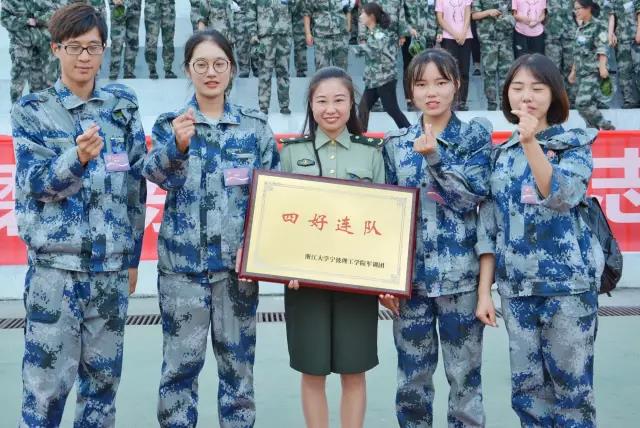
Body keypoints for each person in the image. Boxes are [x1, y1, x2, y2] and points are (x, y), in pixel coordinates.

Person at [12, 3, 147, 425]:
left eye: (93, 47)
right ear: (56, 48)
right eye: (74, 47)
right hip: (57, 272)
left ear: (104, 49)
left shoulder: (122, 106)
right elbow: (36, 184)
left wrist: (132, 257)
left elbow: (136, 187)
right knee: (45, 392)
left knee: (102, 390)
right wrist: (77, 158)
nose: (84, 56)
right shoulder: (32, 109)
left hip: (110, 271)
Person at [142, 29, 279, 427]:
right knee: (179, 372)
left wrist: (257, 249)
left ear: (231, 68)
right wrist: (177, 147)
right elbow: (155, 174)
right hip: (182, 273)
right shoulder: (172, 124)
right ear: (188, 70)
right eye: (200, 64)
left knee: (238, 373)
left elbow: (273, 195)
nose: (210, 72)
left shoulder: (254, 127)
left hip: (236, 273)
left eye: (219, 63)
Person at [477, 53, 602, 427]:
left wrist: (531, 142)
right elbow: (490, 226)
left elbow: (562, 195)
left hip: (567, 289)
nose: (526, 96)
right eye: (517, 88)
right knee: (528, 394)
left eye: (537, 88)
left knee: (572, 395)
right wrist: (486, 292)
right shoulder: (501, 155)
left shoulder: (573, 144)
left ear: (554, 94)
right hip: (517, 291)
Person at [382, 48, 493, 427]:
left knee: (465, 382)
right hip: (410, 284)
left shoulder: (475, 136)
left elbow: (471, 197)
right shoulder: (395, 143)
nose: (432, 92)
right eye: (421, 84)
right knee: (411, 383)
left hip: (461, 281)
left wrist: (434, 159)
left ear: (457, 84)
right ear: (409, 91)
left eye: (441, 82)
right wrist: (385, 280)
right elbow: (386, 216)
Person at [280, 66, 384, 428]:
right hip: (304, 280)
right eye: (321, 101)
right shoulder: (291, 154)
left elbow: (384, 220)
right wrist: (285, 264)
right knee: (312, 371)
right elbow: (278, 216)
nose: (330, 109)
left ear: (352, 103)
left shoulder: (371, 154)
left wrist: (383, 277)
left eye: (339, 100)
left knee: (354, 370)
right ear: (310, 105)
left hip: (357, 280)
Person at [354, 3, 411, 130]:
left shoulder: (379, 34)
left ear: (371, 17)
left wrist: (358, 50)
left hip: (385, 79)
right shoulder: (372, 33)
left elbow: (375, 48)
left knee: (392, 110)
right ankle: (358, 136)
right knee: (363, 109)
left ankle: (411, 132)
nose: (361, 16)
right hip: (374, 80)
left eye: (363, 13)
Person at [569, 0, 616, 130]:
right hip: (582, 72)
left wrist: (602, 67)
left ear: (588, 8)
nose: (576, 12)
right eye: (575, 9)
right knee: (588, 105)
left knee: (582, 103)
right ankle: (592, 133)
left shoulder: (598, 25)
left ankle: (606, 126)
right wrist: (573, 72)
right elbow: (577, 52)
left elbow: (602, 47)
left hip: (593, 71)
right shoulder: (580, 29)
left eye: (578, 8)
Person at [1, 0, 53, 103]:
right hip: (21, 45)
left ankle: (37, 107)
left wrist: (38, 20)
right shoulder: (9, 2)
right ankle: (16, 106)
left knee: (38, 78)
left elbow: (51, 13)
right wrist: (26, 21)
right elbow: (4, 19)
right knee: (18, 78)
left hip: (40, 43)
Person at [247, 0, 293, 114]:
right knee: (264, 73)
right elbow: (250, 14)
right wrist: (252, 34)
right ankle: (263, 107)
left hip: (284, 37)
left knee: (284, 72)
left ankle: (284, 105)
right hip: (264, 39)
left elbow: (295, 9)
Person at [472, 0, 515, 110]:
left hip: (506, 38)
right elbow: (474, 15)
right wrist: (488, 12)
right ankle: (491, 104)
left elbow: (514, 12)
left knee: (506, 73)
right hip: (488, 39)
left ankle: (504, 105)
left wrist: (509, 18)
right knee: (489, 73)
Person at [435, 0, 474, 110]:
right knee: (450, 71)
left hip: (465, 37)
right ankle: (450, 100)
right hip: (448, 38)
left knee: (464, 71)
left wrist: (463, 33)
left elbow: (468, 14)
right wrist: (455, 34)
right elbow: (440, 18)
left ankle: (462, 101)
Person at [606, 0, 640, 108]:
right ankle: (629, 100)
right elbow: (611, 16)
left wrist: (639, 32)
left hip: (636, 39)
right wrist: (611, 33)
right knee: (624, 71)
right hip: (622, 40)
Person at [304, 0, 352, 71]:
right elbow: (307, 14)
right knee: (322, 67)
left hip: (340, 36)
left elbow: (347, 10)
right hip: (321, 37)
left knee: (341, 67)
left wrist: (348, 26)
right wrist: (308, 33)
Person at [545, 0, 576, 106]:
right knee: (552, 69)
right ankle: (554, 101)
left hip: (571, 33)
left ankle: (571, 100)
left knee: (570, 67)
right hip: (552, 34)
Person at [108, 0, 143, 79]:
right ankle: (114, 72)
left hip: (134, 6)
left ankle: (129, 72)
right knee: (117, 42)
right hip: (118, 6)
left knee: (132, 41)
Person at [144, 0, 177, 79]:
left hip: (168, 5)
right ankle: (152, 69)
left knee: (168, 38)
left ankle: (168, 68)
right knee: (151, 39)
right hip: (152, 5)